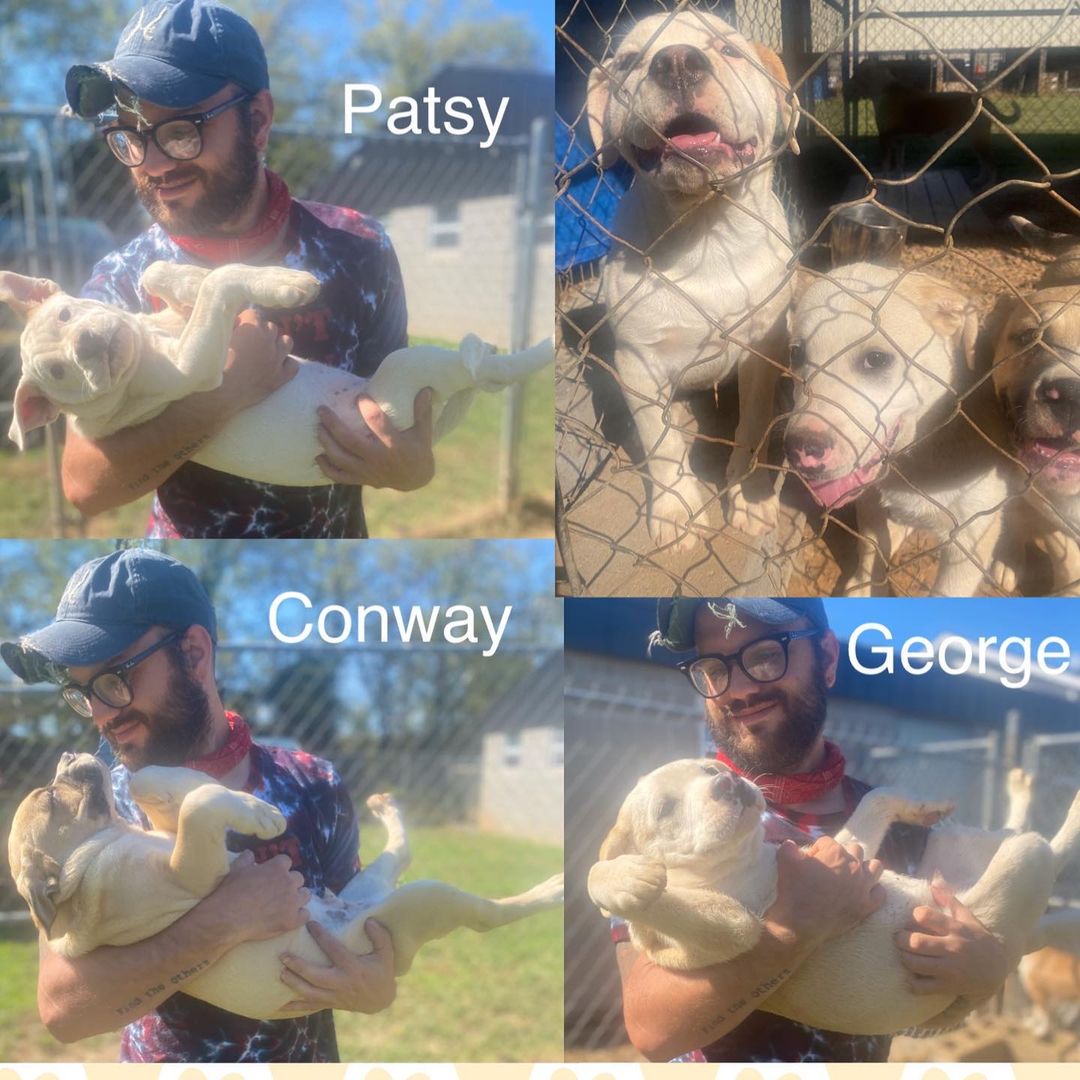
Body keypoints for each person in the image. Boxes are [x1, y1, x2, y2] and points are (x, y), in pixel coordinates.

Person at [0, 548, 396, 1062]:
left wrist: (377, 991)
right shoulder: (94, 807)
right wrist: (222, 921)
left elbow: (360, 933)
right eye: (81, 691)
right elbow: (64, 1012)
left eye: (114, 679)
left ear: (193, 652)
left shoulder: (312, 783)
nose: (100, 713)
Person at [61, 0, 434, 538]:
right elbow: (86, 486)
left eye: (180, 131)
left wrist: (414, 469)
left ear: (257, 120)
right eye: (129, 137)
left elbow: (401, 404)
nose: (155, 164)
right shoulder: (123, 278)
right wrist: (224, 394)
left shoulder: (358, 246)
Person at [611, 596, 1011, 1063]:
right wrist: (793, 929)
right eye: (713, 668)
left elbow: (905, 1012)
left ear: (826, 657)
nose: (736, 689)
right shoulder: (671, 819)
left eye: (764, 654)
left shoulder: (903, 826)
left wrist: (982, 979)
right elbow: (654, 1032)